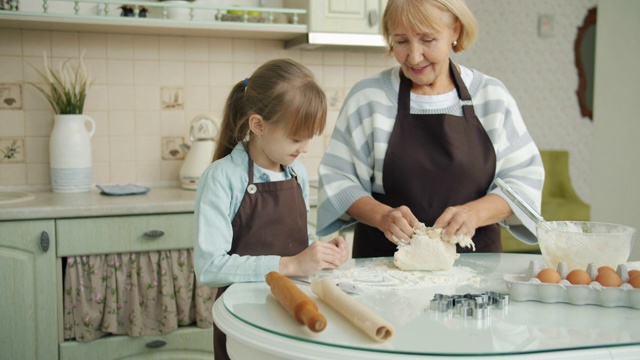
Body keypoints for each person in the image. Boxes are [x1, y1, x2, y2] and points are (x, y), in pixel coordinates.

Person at [316, 0, 545, 258]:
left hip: (478, 267)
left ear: (455, 31)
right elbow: (339, 179)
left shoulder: (491, 97)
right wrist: (382, 216)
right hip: (382, 269)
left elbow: (523, 184)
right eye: (401, 41)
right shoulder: (369, 97)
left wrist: (474, 214)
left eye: (427, 40)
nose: (413, 57)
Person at [194, 58, 350, 360]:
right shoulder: (223, 178)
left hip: (293, 309)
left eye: (309, 138)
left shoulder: (297, 172)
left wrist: (321, 254)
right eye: (296, 138)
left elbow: (295, 241)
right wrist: (290, 265)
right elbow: (209, 267)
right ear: (258, 125)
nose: (305, 148)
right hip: (243, 318)